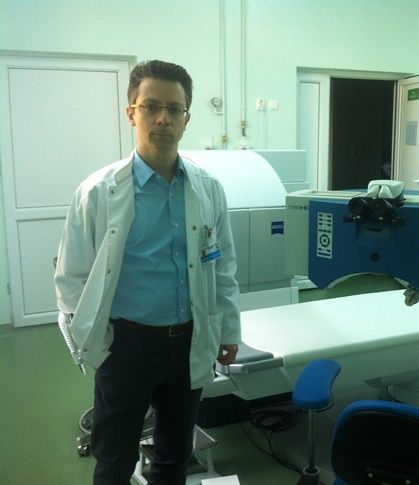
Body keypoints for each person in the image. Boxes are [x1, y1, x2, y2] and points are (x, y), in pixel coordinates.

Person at [54, 59, 241, 484]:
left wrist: (227, 331)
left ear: (186, 119)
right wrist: (96, 343)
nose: (163, 118)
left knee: (175, 458)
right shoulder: (97, 192)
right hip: (126, 346)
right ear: (131, 113)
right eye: (151, 106)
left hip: (189, 341)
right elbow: (70, 279)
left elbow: (223, 266)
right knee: (114, 460)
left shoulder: (208, 189)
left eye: (174, 109)